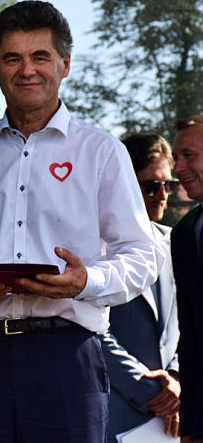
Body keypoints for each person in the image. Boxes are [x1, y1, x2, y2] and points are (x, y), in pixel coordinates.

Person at [0, 0, 163, 443]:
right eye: (13, 58)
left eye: (40, 57)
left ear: (64, 64)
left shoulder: (101, 152)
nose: (27, 70)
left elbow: (143, 255)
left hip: (66, 354)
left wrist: (86, 281)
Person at [100, 134, 180, 441]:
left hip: (170, 416)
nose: (162, 194)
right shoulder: (97, 245)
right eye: (150, 185)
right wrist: (148, 389)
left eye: (168, 184)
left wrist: (175, 379)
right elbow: (92, 328)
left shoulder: (175, 242)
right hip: (111, 409)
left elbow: (187, 321)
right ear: (125, 184)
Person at [170, 116, 203, 443]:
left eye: (188, 156)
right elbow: (191, 335)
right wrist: (192, 426)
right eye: (175, 159)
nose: (177, 169)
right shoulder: (183, 233)